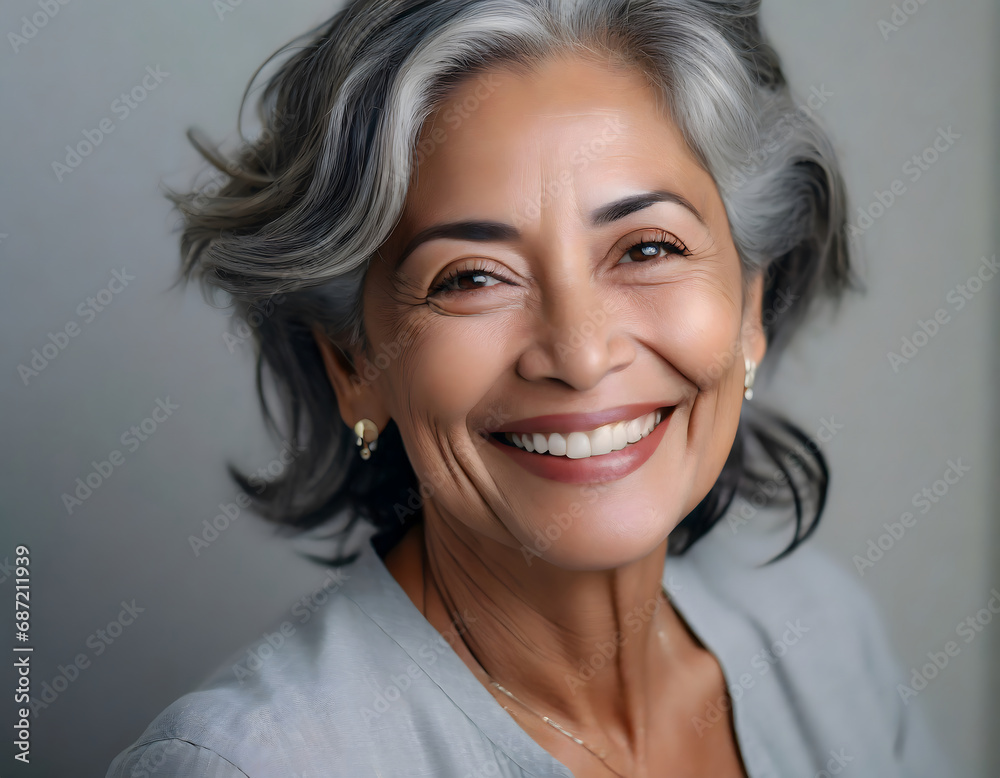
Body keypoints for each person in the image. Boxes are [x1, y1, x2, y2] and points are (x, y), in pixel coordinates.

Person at [107, 1, 950, 775]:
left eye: (647, 248)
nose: (580, 355)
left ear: (751, 307)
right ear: (354, 365)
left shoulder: (825, 635)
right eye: (473, 277)